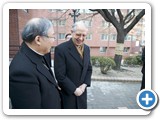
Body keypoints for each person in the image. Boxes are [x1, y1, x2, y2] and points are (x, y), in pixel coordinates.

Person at [9, 18, 61, 109]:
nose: (53, 41)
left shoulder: (39, 52)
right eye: (52, 36)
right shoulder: (21, 72)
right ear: (38, 39)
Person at [54, 21, 92, 109]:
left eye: (84, 35)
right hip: (68, 95)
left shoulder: (87, 48)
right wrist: (75, 90)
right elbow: (60, 75)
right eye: (78, 34)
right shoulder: (61, 49)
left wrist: (84, 85)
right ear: (72, 32)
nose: (81, 38)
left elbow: (88, 69)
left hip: (82, 94)